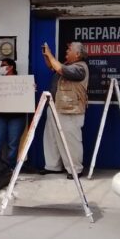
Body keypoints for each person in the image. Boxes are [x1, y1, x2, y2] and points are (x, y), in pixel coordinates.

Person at [40, 41, 89, 180]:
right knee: (51, 138)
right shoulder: (67, 65)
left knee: (71, 140)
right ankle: (52, 166)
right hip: (55, 106)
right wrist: (46, 55)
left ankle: (75, 169)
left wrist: (50, 54)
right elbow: (52, 66)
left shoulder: (80, 68)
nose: (66, 52)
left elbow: (60, 69)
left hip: (70, 110)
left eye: (69, 50)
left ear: (78, 54)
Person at [0, 58, 27, 168]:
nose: (1, 68)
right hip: (1, 116)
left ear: (11, 67)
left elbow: (27, 95)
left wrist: (31, 88)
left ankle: (10, 168)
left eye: (3, 65)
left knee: (13, 145)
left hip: (17, 117)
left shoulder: (22, 82)